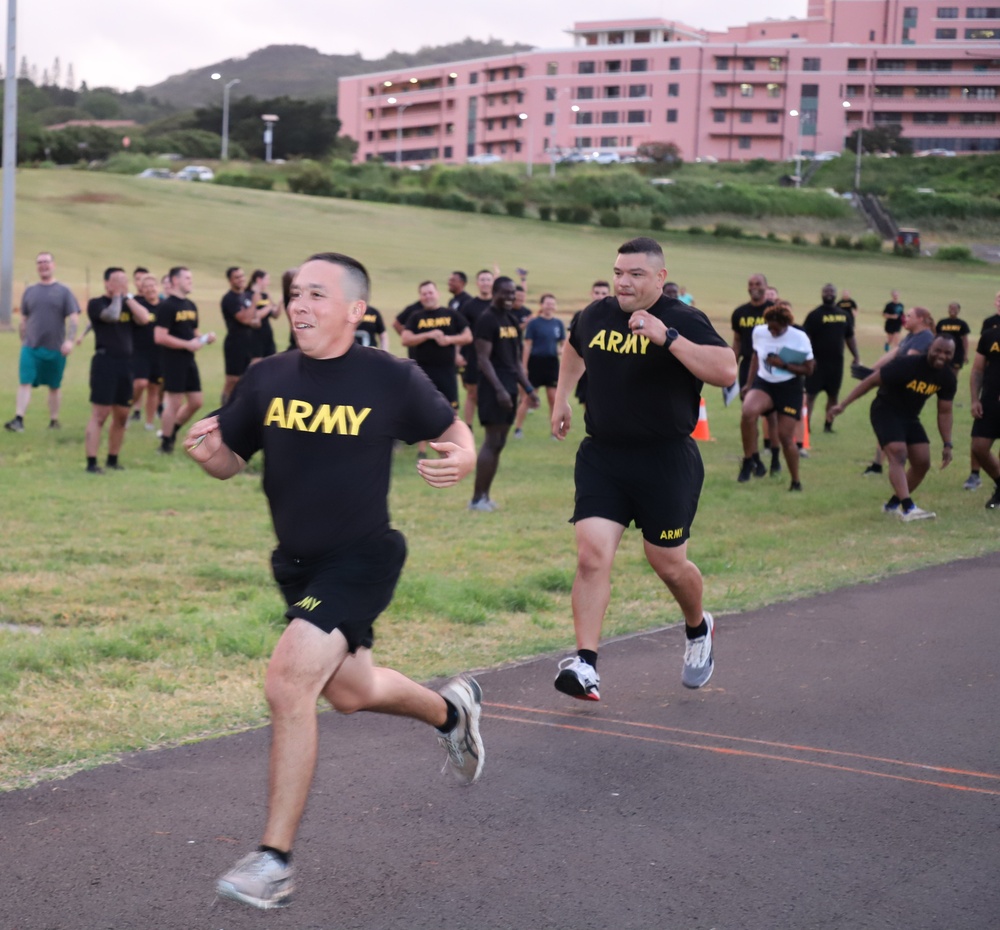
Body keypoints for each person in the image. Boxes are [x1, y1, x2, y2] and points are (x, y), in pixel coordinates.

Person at [184, 251, 482, 911]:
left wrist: (461, 458)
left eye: (317, 294)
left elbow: (453, 430)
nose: (300, 305)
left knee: (289, 679)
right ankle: (451, 712)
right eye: (295, 293)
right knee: (351, 692)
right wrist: (208, 453)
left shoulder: (391, 379)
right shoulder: (267, 376)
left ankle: (274, 861)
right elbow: (231, 460)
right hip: (296, 564)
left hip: (364, 556)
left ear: (355, 309)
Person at [550, 237, 736, 701]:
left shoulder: (684, 319)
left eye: (635, 274)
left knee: (668, 564)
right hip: (604, 455)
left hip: (665, 459)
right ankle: (586, 664)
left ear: (659, 278)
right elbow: (574, 347)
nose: (623, 281)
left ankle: (698, 628)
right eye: (618, 272)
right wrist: (562, 398)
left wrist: (667, 338)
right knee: (592, 555)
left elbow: (727, 371)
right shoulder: (596, 314)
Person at [830, 336, 956, 521]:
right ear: (930, 348)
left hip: (910, 417)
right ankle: (908, 508)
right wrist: (843, 405)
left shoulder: (947, 377)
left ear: (953, 355)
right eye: (938, 350)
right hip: (885, 410)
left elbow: (944, 412)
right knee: (898, 453)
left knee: (922, 462)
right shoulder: (907, 364)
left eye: (947, 353)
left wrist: (947, 443)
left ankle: (892, 505)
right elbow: (870, 381)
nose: (941, 356)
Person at [469, 276, 539, 511]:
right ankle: (477, 499)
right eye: (505, 293)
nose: (510, 297)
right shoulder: (486, 319)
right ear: (495, 292)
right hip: (494, 388)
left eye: (513, 294)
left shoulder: (510, 319)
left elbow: (516, 361)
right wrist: (498, 389)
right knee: (491, 441)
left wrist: (528, 389)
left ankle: (486, 497)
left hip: (509, 387)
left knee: (500, 443)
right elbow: (483, 359)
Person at [738, 301, 815, 491]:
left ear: (786, 325)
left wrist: (784, 365)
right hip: (765, 382)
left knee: (785, 437)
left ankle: (795, 481)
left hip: (790, 387)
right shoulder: (759, 332)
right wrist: (749, 384)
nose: (772, 332)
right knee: (748, 412)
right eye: (769, 328)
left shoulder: (799, 337)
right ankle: (749, 461)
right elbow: (756, 356)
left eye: (776, 329)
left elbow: (809, 369)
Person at [84, 267, 151, 473]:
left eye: (125, 280)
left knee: (122, 414)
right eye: (118, 280)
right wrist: (117, 297)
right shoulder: (96, 304)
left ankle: (113, 459)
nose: (123, 283)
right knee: (100, 414)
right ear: (107, 283)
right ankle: (92, 463)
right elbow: (112, 316)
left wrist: (127, 297)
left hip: (126, 364)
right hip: (105, 363)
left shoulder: (128, 303)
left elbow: (145, 318)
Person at [5, 251, 81, 432]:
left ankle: (54, 421)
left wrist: (69, 341)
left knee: (54, 386)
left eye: (46, 262)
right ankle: (18, 419)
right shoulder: (30, 291)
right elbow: (23, 318)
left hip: (55, 348)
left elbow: (74, 317)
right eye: (39, 262)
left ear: (53, 265)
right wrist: (24, 341)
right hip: (31, 347)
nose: (43, 265)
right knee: (25, 382)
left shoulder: (63, 291)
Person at [862, 306, 936, 475]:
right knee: (888, 428)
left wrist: (881, 376)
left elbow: (906, 362)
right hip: (896, 388)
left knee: (895, 430)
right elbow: (892, 355)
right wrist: (870, 372)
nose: (905, 319)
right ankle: (878, 464)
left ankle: (897, 465)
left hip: (906, 392)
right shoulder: (912, 336)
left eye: (909, 316)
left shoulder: (924, 338)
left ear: (921, 320)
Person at [401, 280, 472, 456]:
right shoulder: (416, 317)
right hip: (422, 372)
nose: (428, 296)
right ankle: (422, 449)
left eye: (430, 292)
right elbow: (405, 338)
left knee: (451, 410)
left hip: (446, 371)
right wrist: (428, 335)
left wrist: (449, 340)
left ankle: (450, 448)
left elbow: (468, 336)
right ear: (420, 297)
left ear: (437, 293)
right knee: (423, 409)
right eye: (424, 293)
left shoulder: (451, 314)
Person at [154, 266, 216, 454]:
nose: (191, 281)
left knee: (196, 401)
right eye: (187, 278)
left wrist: (204, 338)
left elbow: (192, 332)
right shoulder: (167, 306)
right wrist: (186, 344)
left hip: (188, 359)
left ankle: (171, 431)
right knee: (173, 402)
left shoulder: (190, 305)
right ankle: (165, 444)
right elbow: (159, 336)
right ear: (175, 281)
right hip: (172, 360)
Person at [731, 273, 778, 476]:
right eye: (751, 284)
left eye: (758, 284)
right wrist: (731, 365)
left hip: (772, 368)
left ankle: (775, 457)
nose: (754, 287)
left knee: (772, 415)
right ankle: (753, 458)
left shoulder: (774, 311)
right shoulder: (740, 313)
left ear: (766, 286)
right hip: (747, 366)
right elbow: (738, 341)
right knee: (749, 415)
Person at [803, 283, 860, 434]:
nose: (829, 293)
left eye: (832, 291)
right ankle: (805, 426)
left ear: (836, 294)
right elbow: (805, 338)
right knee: (810, 396)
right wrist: (809, 357)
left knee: (833, 396)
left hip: (836, 364)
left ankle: (828, 425)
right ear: (821, 294)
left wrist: (856, 356)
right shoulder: (814, 315)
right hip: (816, 363)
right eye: (826, 291)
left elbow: (850, 337)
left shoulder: (844, 315)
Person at [514, 293, 565, 437]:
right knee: (528, 397)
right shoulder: (534, 323)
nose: (550, 306)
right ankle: (518, 429)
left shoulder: (558, 323)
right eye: (547, 303)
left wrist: (561, 350)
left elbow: (563, 343)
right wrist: (524, 366)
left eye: (552, 303)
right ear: (541, 305)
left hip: (552, 363)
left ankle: (555, 431)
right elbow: (527, 345)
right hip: (535, 362)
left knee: (553, 399)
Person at [969, 320, 1000, 508]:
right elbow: (977, 370)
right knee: (979, 447)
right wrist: (975, 399)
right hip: (989, 402)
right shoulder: (990, 335)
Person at [459, 269, 495, 428]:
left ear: (493, 283)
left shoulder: (498, 305)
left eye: (488, 279)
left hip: (495, 356)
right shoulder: (469, 306)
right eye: (482, 280)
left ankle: (491, 424)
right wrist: (457, 354)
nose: (486, 283)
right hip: (473, 355)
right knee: (472, 392)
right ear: (477, 283)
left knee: (492, 391)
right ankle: (468, 426)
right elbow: (460, 331)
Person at [130, 273, 163, 431]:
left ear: (157, 287)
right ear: (141, 290)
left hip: (159, 353)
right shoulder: (138, 305)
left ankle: (149, 423)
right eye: (146, 286)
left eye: (152, 285)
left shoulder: (164, 305)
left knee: (154, 388)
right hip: (140, 352)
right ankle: (126, 410)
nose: (150, 289)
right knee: (140, 383)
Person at [572, 280, 611, 411]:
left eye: (604, 293)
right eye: (597, 292)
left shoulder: (615, 317)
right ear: (591, 294)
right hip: (586, 369)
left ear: (609, 294)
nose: (600, 296)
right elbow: (571, 343)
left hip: (608, 370)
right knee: (588, 407)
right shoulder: (581, 316)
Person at [220, 266, 256, 405]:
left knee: (244, 379)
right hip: (235, 343)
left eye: (242, 276)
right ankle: (222, 411)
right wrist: (254, 303)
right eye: (237, 277)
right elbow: (245, 319)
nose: (241, 279)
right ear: (230, 280)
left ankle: (237, 408)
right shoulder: (229, 299)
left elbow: (252, 318)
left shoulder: (245, 296)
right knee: (232, 380)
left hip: (248, 342)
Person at [248, 269, 279, 363]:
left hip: (267, 333)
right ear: (258, 280)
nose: (268, 283)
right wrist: (269, 307)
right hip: (255, 335)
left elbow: (275, 315)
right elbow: (254, 315)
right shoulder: (249, 295)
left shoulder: (265, 295)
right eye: (267, 279)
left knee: (272, 362)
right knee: (256, 364)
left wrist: (281, 302)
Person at [935, 301, 970, 374]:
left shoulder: (962, 324)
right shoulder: (942, 322)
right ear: (948, 309)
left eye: (955, 308)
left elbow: (965, 340)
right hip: (943, 351)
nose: (953, 310)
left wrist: (965, 354)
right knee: (940, 372)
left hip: (957, 352)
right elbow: (936, 336)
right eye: (951, 308)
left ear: (958, 310)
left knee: (953, 374)